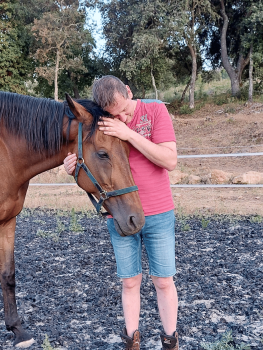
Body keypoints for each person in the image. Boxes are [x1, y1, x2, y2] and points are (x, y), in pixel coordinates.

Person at [63, 75, 179, 350]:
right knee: (130, 282)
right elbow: (92, 156)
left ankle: (171, 342)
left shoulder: (155, 111)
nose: (123, 118)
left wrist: (129, 134)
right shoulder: (102, 121)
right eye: (116, 115)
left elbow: (169, 160)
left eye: (125, 110)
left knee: (163, 281)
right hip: (119, 213)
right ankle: (132, 342)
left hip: (159, 212)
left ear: (128, 91)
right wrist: (73, 165)